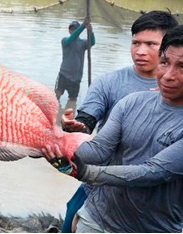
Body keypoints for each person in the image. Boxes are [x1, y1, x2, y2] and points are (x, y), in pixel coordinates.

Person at [43, 24, 183, 232]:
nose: (168, 76)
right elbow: (99, 149)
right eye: (165, 62)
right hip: (97, 218)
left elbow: (153, 172)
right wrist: (51, 141)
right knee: (72, 212)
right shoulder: (130, 101)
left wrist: (85, 172)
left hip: (154, 228)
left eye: (182, 67)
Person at [54, 19, 95, 111]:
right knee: (56, 96)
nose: (73, 31)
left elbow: (92, 43)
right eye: (71, 29)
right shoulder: (65, 41)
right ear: (69, 30)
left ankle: (69, 118)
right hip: (64, 74)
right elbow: (71, 38)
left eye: (75, 29)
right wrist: (83, 26)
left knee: (72, 100)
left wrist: (90, 32)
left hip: (76, 78)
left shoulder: (83, 43)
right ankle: (55, 115)